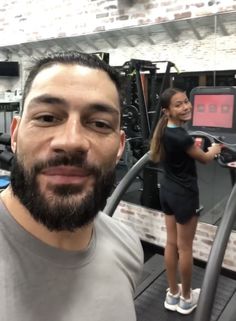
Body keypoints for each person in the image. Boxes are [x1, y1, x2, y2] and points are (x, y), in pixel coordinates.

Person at [0, 51, 144, 321]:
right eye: (46, 118)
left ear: (119, 147)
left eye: (100, 124)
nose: (72, 141)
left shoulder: (128, 247)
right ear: (16, 135)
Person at [150, 87, 222, 315]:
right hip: (184, 196)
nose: (186, 107)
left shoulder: (165, 132)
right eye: (178, 105)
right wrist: (216, 148)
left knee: (171, 244)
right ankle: (187, 298)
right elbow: (205, 159)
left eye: (186, 102)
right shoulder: (181, 137)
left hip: (168, 192)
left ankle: (173, 293)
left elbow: (183, 151)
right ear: (167, 111)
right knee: (185, 248)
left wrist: (193, 147)